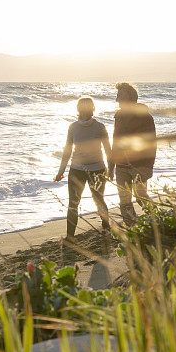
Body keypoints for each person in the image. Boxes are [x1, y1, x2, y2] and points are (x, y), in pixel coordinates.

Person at [54, 96, 113, 243]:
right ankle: (70, 236)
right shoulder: (73, 127)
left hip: (97, 170)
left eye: (88, 107)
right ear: (78, 109)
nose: (85, 110)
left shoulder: (100, 127)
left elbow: (108, 150)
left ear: (92, 109)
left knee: (99, 200)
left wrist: (112, 170)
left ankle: (106, 229)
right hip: (77, 170)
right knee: (73, 203)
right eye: (82, 107)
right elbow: (67, 150)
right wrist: (61, 171)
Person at [111, 82, 157, 225]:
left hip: (139, 165)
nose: (117, 100)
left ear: (130, 98)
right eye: (117, 96)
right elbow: (115, 141)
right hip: (121, 165)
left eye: (120, 96)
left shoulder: (145, 116)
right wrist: (111, 165)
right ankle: (132, 229)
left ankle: (158, 221)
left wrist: (148, 166)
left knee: (140, 197)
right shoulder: (118, 116)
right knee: (124, 201)